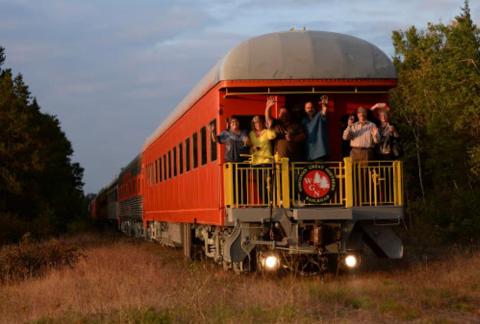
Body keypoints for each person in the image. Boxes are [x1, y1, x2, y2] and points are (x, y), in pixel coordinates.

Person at [265, 97, 306, 161]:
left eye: (285, 113)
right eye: (282, 113)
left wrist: (293, 138)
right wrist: (268, 107)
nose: (284, 115)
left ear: (289, 114)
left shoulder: (296, 124)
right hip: (279, 160)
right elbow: (268, 120)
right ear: (279, 115)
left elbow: (303, 136)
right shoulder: (276, 123)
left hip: (294, 159)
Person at [302, 96, 328, 161]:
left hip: (319, 152)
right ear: (305, 109)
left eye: (311, 107)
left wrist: (324, 105)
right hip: (308, 152)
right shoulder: (303, 120)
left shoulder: (319, 116)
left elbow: (324, 112)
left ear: (314, 108)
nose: (310, 109)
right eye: (308, 108)